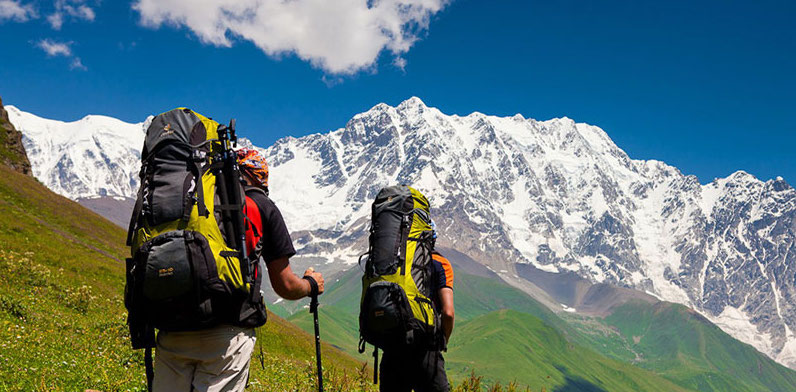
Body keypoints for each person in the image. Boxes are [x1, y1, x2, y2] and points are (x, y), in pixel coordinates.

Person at [152, 147, 324, 392]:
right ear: (258, 176)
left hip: (172, 326)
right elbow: (285, 285)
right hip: (226, 331)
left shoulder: (190, 201)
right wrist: (311, 284)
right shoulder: (260, 205)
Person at [379, 245, 455, 392]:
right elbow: (448, 312)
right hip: (426, 349)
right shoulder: (440, 262)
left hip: (392, 350)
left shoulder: (392, 262)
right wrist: (443, 339)